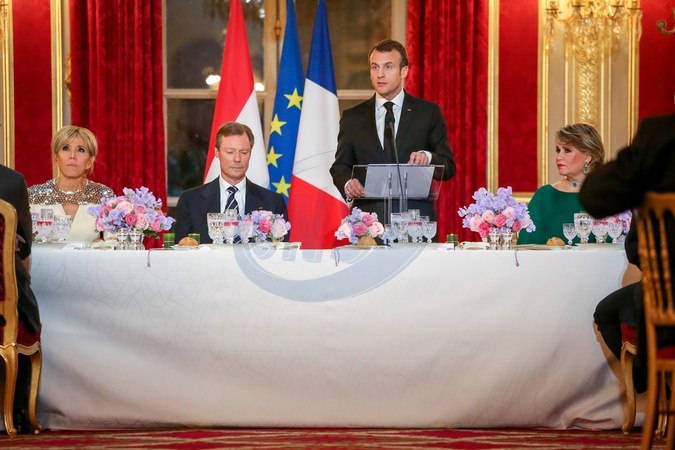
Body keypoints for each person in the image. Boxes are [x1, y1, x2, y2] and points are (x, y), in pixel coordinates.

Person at [580, 113, 675, 393]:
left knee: (644, 296)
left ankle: (657, 390)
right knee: (616, 306)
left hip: (669, 299)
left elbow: (595, 198)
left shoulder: (662, 136)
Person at [330, 39, 455, 223]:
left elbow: (448, 166)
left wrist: (427, 158)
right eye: (375, 67)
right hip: (369, 225)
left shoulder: (427, 113)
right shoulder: (353, 117)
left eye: (388, 67)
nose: (380, 74)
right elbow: (340, 166)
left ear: (403, 71)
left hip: (415, 222)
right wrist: (348, 183)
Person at [174, 122, 288, 243]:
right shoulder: (190, 201)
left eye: (244, 152)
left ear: (250, 154)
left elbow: (281, 249)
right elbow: (180, 249)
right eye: (230, 152)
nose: (237, 159)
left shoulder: (273, 202)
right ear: (217, 152)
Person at [0, 164, 41, 434]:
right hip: (3, 305)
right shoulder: (11, 182)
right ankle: (19, 411)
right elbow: (25, 247)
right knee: (24, 313)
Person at [517, 123, 604, 245]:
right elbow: (527, 246)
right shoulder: (545, 195)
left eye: (567, 150)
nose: (559, 157)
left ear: (587, 157)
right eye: (558, 150)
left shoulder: (606, 195)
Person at [28, 126, 114, 243]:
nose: (72, 155)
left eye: (81, 150)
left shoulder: (102, 195)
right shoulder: (33, 196)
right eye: (66, 148)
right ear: (56, 158)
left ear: (89, 162)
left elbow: (113, 244)